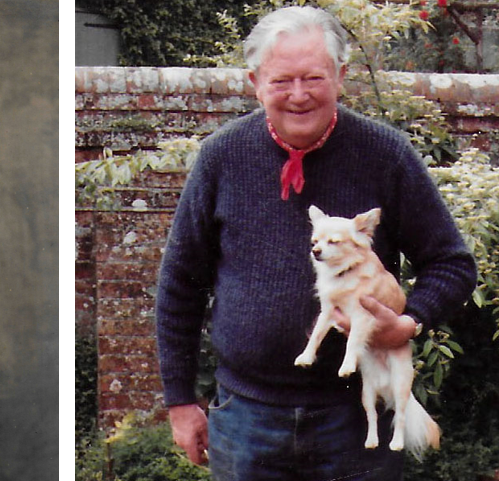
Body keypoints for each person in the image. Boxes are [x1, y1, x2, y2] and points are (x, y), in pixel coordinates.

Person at [155, 6, 476, 481]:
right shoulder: (222, 156)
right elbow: (181, 284)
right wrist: (181, 402)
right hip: (246, 421)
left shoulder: (385, 155)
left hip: (355, 421)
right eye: (282, 80)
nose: (299, 95)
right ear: (255, 82)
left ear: (341, 76)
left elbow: (452, 264)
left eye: (314, 78)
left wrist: (408, 323)